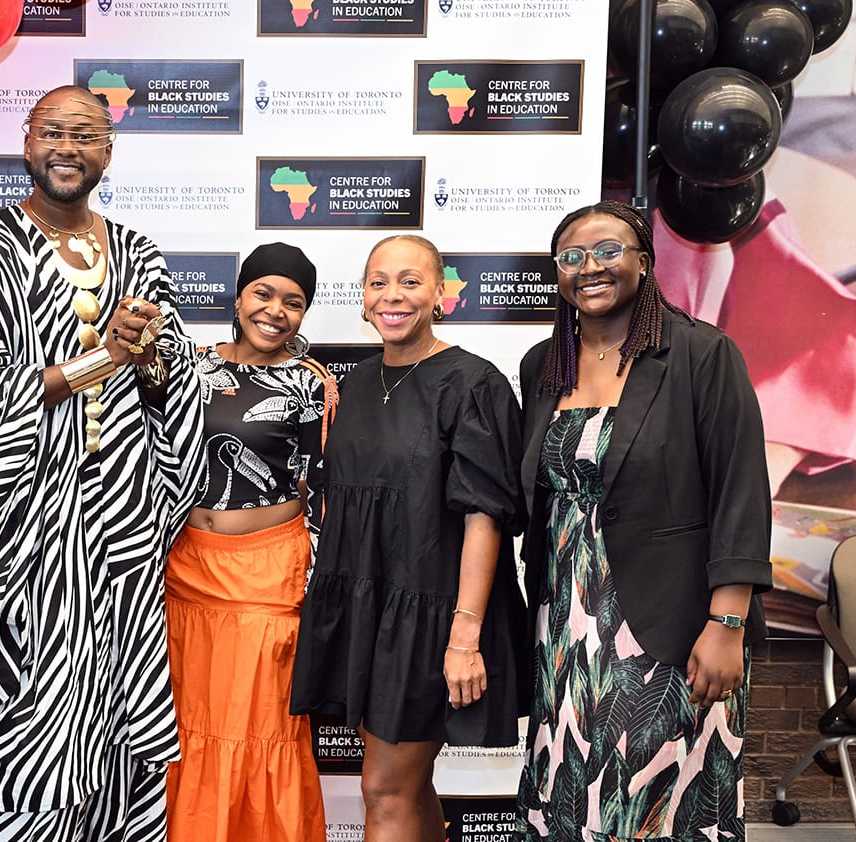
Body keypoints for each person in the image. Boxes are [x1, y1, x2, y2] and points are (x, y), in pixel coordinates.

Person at [0, 86, 205, 840]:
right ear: (26, 142)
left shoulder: (139, 252)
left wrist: (149, 355)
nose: (67, 148)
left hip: (123, 529)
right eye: (52, 133)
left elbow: (168, 385)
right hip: (29, 535)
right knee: (31, 719)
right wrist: (98, 360)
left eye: (85, 135)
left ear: (109, 150)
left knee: (116, 725)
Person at [515, 200, 772, 841]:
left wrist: (727, 622)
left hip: (671, 623)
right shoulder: (544, 366)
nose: (590, 267)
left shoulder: (701, 355)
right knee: (572, 794)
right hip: (563, 627)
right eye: (572, 257)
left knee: (658, 796)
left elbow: (740, 493)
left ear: (644, 262)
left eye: (609, 251)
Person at [290, 235, 528, 842]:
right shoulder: (359, 383)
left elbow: (485, 517)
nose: (392, 295)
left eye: (410, 281)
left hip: (435, 616)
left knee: (383, 790)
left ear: (440, 293)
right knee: (409, 785)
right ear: (363, 299)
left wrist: (464, 636)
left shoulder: (473, 382)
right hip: (371, 612)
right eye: (378, 282)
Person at [166, 242, 336, 842]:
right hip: (183, 573)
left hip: (270, 575)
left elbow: (323, 487)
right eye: (263, 293)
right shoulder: (186, 366)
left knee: (263, 727)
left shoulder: (311, 385)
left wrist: (314, 583)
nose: (276, 311)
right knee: (186, 728)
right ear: (238, 297)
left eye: (294, 302)